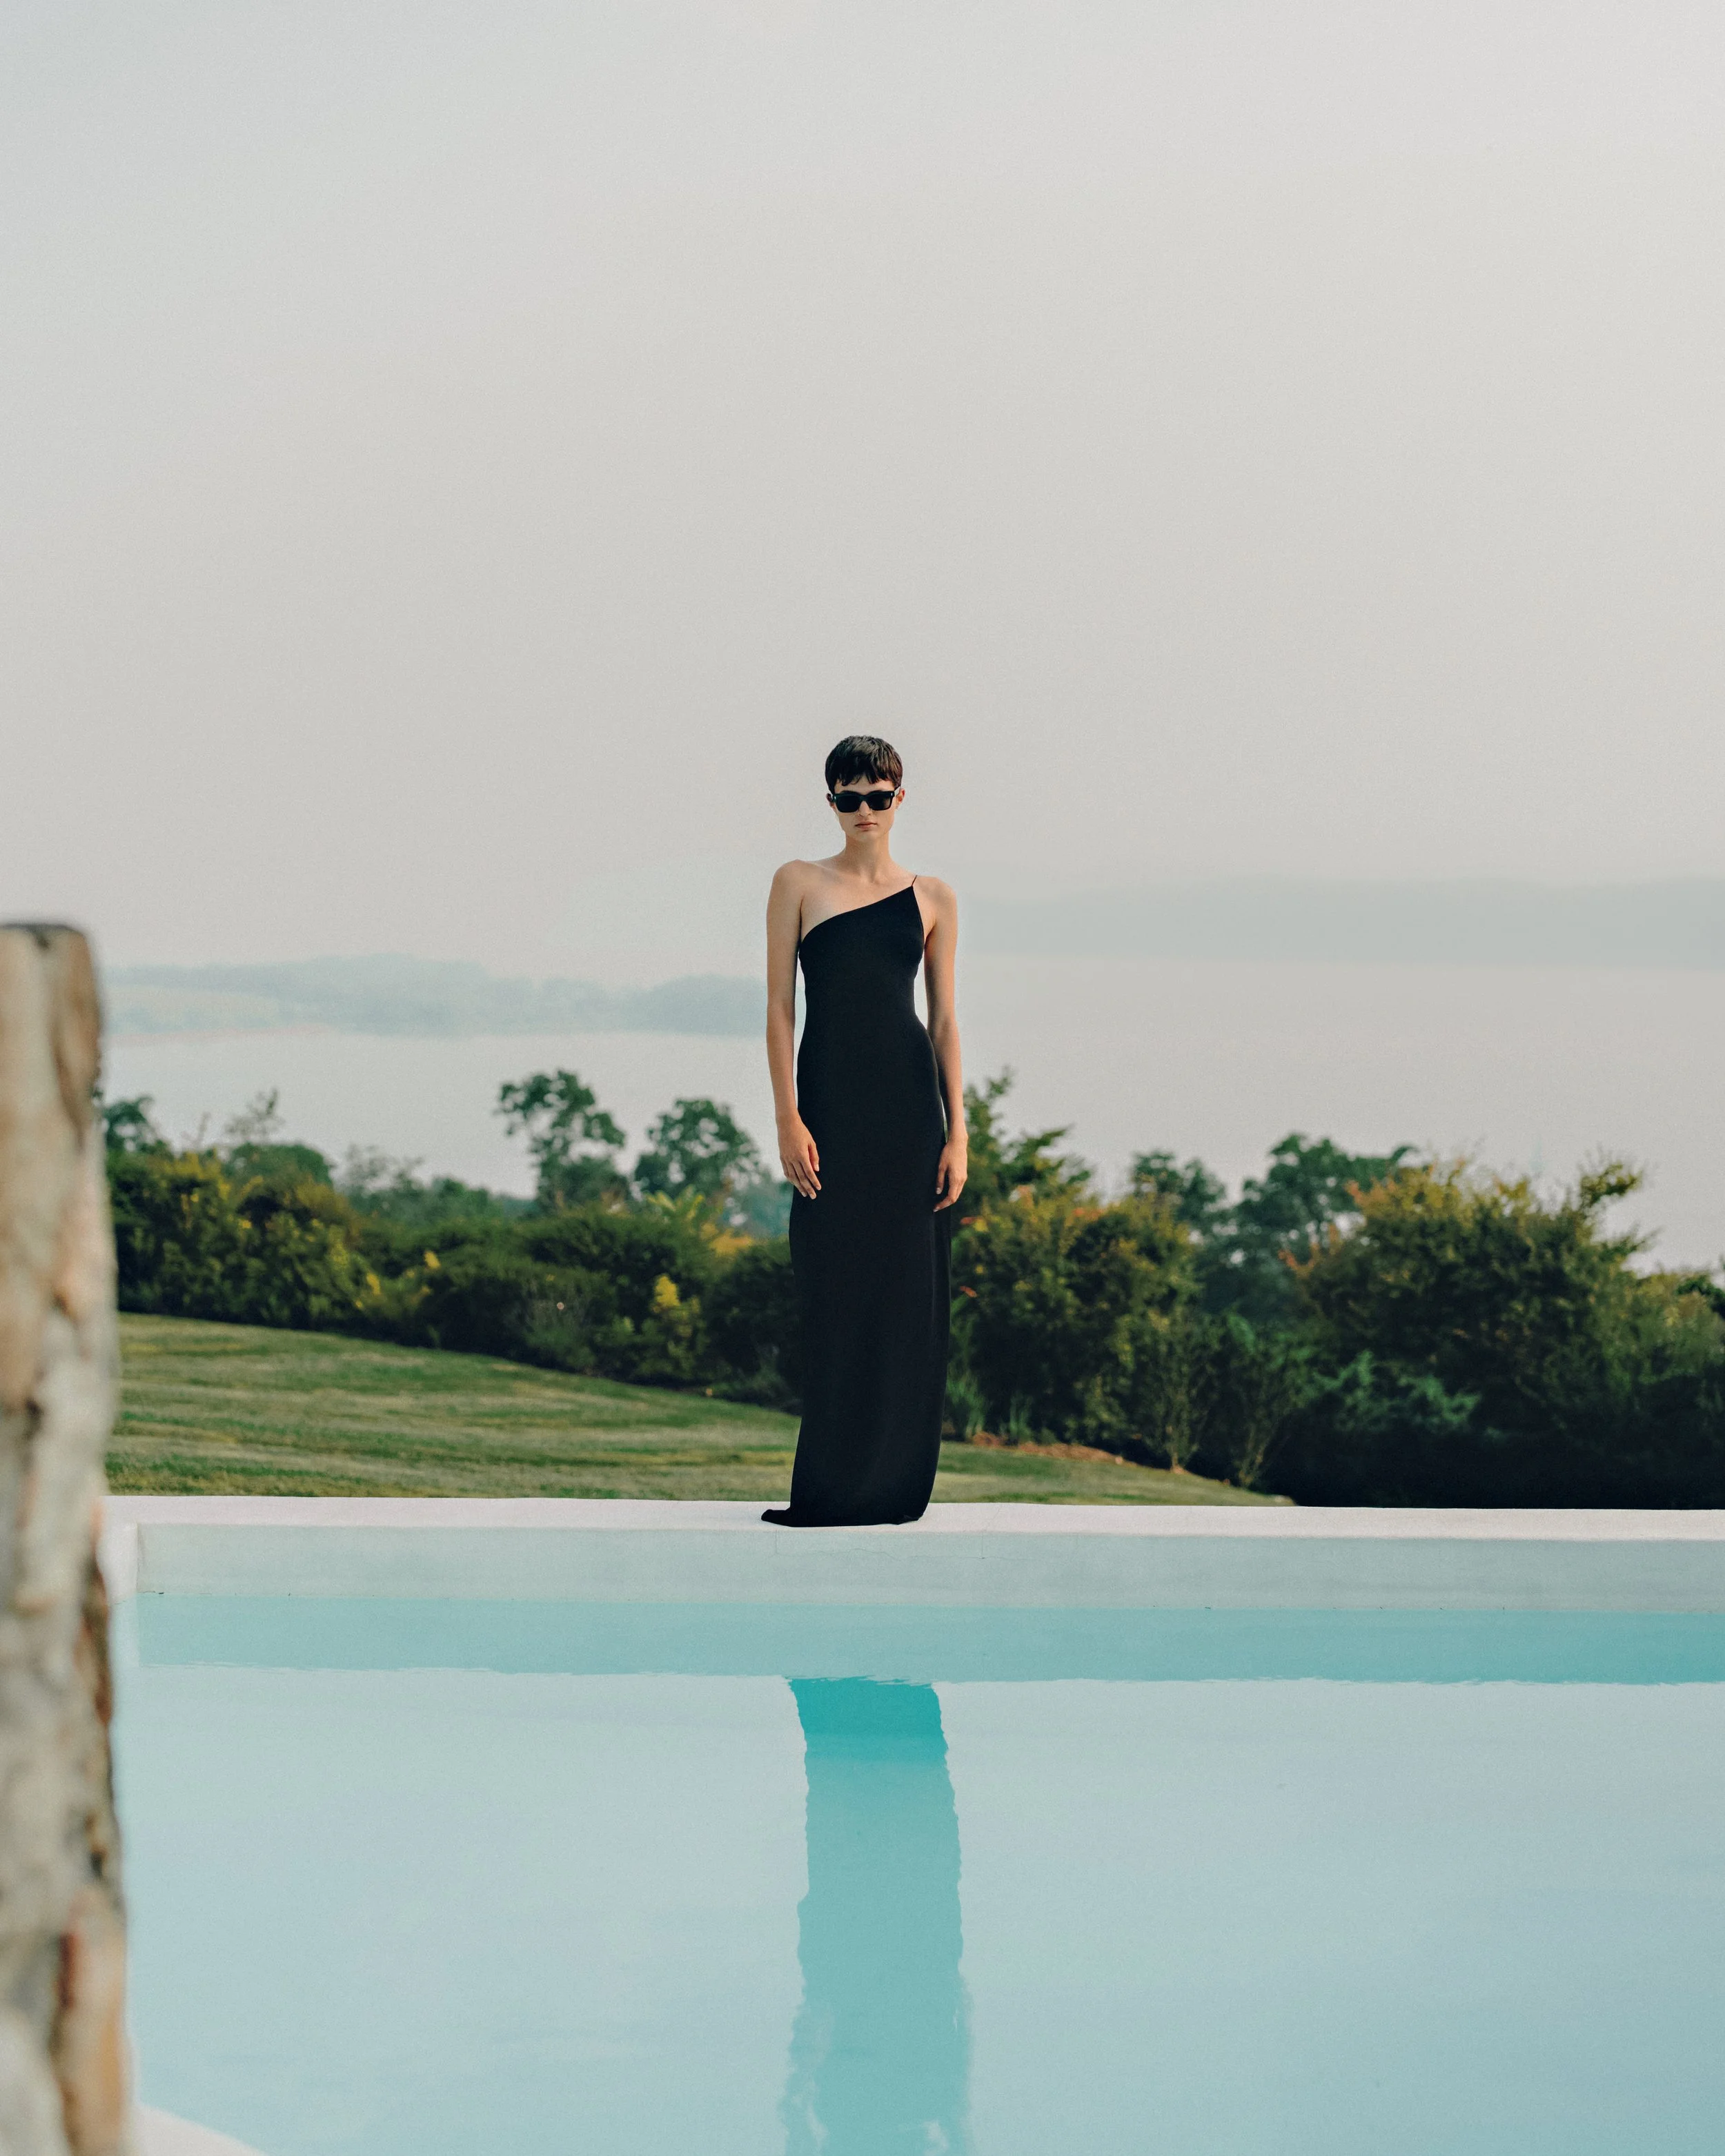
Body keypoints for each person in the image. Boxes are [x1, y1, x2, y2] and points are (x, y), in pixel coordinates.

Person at [762, 735, 966, 1526]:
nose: (863, 812)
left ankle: (892, 1486)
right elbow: (780, 1007)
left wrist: (959, 1134)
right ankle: (830, 1484)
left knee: (907, 1298)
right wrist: (787, 1115)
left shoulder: (934, 897)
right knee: (834, 1288)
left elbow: (944, 1021)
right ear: (830, 803)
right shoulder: (798, 883)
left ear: (900, 799)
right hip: (830, 1115)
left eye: (878, 797)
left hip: (911, 1116)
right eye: (848, 798)